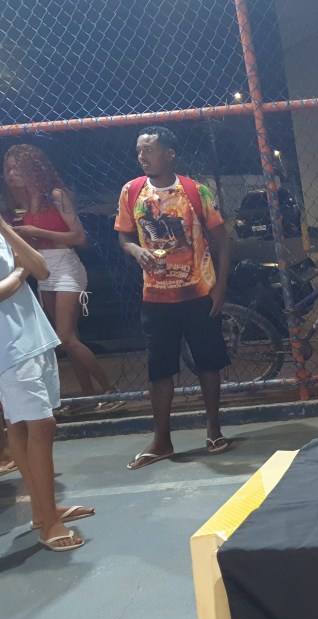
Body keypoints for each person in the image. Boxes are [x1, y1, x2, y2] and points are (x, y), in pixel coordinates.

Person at [114, 126, 232, 469]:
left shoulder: (195, 191)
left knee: (208, 363)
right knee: (159, 369)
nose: (143, 156)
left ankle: (214, 430)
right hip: (156, 297)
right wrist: (136, 250)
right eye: (139, 150)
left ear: (170, 154)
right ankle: (162, 441)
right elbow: (124, 237)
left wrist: (220, 287)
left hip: (198, 292)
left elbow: (223, 242)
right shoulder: (131, 191)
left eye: (149, 150)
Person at [3, 144, 124, 413]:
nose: (11, 174)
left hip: (66, 266)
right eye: (8, 169)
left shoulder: (56, 195)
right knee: (69, 339)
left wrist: (36, 231)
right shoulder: (22, 203)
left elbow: (79, 237)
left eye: (16, 167)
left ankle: (111, 391)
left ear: (33, 168)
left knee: (65, 337)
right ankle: (87, 397)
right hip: (43, 270)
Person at [0, 217, 95, 551]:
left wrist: (5, 228)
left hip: (33, 336)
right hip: (8, 348)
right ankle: (50, 525)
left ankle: (44, 512)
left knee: (20, 426)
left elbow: (41, 269)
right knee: (41, 426)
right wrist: (20, 272)